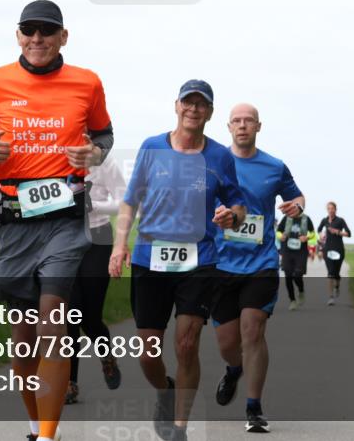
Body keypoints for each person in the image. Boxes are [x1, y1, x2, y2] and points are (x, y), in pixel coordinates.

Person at [0, 0, 114, 441]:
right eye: (29, 31)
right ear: (18, 35)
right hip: (14, 220)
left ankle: (48, 436)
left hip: (65, 217)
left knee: (53, 316)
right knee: (24, 334)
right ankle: (35, 424)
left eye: (47, 32)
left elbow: (105, 135)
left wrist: (93, 154)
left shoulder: (87, 82)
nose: (38, 39)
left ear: (63, 37)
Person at [109, 80, 247, 441]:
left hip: (199, 259)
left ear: (210, 113)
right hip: (149, 257)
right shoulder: (152, 147)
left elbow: (239, 205)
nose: (194, 109)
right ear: (177, 106)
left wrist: (232, 217)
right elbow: (130, 200)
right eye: (188, 102)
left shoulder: (220, 157)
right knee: (147, 353)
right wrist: (119, 244)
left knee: (186, 344)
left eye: (201, 105)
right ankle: (165, 390)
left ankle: (180, 429)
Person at [211, 103, 305, 434]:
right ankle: (234, 368)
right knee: (227, 342)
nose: (242, 126)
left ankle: (253, 406)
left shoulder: (274, 166)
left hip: (261, 262)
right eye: (236, 121)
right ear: (228, 126)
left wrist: (296, 207)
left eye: (248, 121)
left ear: (258, 127)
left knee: (253, 330)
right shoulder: (213, 161)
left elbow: (298, 198)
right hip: (221, 265)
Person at [65, 154, 125, 405]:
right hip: (63, 237)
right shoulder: (53, 156)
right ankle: (70, 382)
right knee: (69, 313)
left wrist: (91, 205)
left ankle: (106, 355)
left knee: (89, 316)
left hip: (97, 239)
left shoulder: (105, 162)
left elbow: (125, 203)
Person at [276, 210, 315, 311]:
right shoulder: (286, 218)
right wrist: (281, 236)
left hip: (300, 251)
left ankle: (301, 291)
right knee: (288, 276)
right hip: (287, 251)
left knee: (297, 275)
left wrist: (306, 237)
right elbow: (278, 231)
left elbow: (313, 233)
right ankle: (292, 300)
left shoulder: (306, 218)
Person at [317, 201, 352, 305]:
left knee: (336, 273)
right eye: (328, 208)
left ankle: (337, 286)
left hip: (338, 249)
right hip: (327, 249)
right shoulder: (324, 220)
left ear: (335, 210)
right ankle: (331, 297)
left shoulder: (340, 220)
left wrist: (338, 232)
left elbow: (349, 234)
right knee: (330, 273)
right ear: (327, 210)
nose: (330, 210)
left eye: (332, 208)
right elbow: (318, 230)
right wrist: (321, 235)